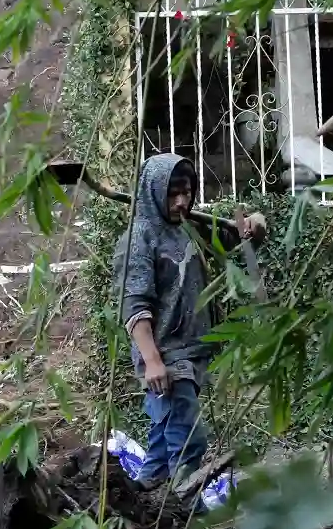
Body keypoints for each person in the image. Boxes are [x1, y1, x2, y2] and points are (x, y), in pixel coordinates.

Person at [113, 153, 267, 491]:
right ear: (153, 191)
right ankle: (186, 507)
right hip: (166, 357)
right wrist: (152, 361)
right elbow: (133, 304)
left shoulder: (190, 228)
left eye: (187, 192)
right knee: (187, 439)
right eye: (172, 193)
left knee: (163, 437)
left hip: (191, 351)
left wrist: (255, 223)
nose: (182, 201)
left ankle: (143, 498)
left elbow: (237, 237)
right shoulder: (139, 238)